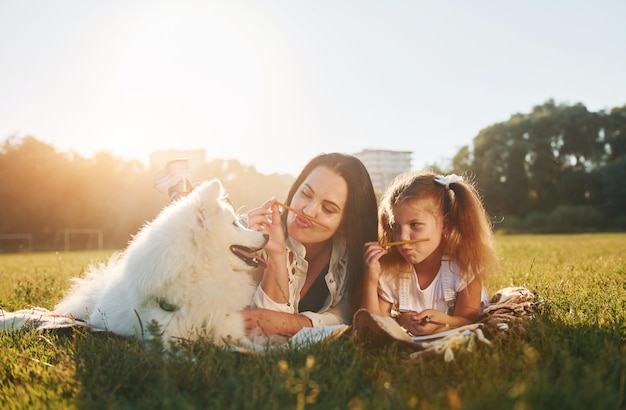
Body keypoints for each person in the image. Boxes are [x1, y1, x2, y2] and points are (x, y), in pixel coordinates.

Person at [242, 152, 378, 338]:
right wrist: (277, 255)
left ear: (345, 225)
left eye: (328, 208)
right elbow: (263, 333)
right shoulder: (250, 234)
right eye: (306, 193)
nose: (307, 211)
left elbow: (345, 317)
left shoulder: (347, 259)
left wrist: (292, 323)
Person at [360, 172, 499, 336]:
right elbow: (373, 325)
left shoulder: (464, 265)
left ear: (445, 225)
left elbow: (468, 320)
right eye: (396, 226)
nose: (402, 238)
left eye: (414, 225)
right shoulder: (391, 269)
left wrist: (444, 322)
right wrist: (370, 279)